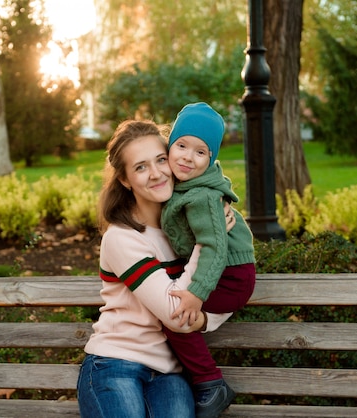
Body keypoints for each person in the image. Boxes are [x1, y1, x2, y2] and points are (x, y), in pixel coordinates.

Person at [77, 119, 235, 418]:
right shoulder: (122, 237)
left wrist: (201, 320)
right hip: (115, 363)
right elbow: (175, 316)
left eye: (161, 160)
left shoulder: (186, 226)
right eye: (140, 167)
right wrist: (209, 241)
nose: (157, 173)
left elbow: (228, 291)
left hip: (170, 372)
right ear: (125, 180)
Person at [161, 102, 257, 418]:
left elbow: (214, 248)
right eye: (182, 145)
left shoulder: (202, 196)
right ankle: (203, 380)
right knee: (178, 316)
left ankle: (210, 384)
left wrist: (196, 294)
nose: (188, 156)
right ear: (170, 146)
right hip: (221, 269)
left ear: (212, 159)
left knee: (178, 319)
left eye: (200, 152)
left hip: (230, 274)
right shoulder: (184, 185)